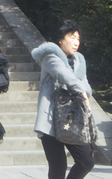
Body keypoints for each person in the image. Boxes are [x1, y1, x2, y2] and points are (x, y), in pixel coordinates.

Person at [31, 20, 94, 179]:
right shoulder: (49, 56)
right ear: (60, 39)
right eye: (72, 37)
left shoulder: (79, 61)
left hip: (72, 119)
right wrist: (82, 92)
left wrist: (84, 91)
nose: (76, 42)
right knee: (58, 166)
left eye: (78, 39)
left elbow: (86, 85)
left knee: (86, 161)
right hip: (51, 119)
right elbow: (65, 76)